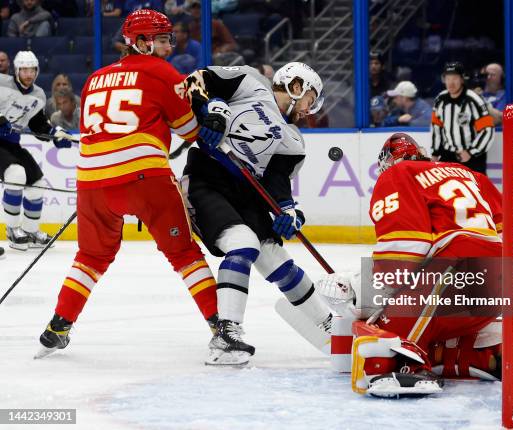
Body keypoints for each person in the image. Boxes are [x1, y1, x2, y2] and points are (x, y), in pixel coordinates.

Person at [35, 9, 220, 361]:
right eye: (163, 40)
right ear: (140, 42)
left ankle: (59, 324)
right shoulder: (163, 72)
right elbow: (190, 132)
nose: (169, 46)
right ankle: (221, 327)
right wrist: (201, 104)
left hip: (91, 181)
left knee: (90, 256)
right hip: (143, 177)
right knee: (184, 254)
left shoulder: (94, 78)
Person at [317, 132, 503, 397]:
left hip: (458, 269)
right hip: (500, 281)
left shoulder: (398, 173)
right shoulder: (469, 173)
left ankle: (410, 368)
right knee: (429, 328)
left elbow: (404, 251)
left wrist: (362, 293)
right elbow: (508, 231)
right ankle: (480, 355)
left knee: (383, 331)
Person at [180, 61, 333, 364]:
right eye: (309, 100)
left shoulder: (292, 140)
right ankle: (226, 334)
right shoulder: (251, 82)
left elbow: (277, 185)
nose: (308, 109)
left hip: (245, 193)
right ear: (296, 85)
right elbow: (197, 79)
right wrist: (210, 110)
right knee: (242, 244)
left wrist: (289, 213)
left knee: (277, 259)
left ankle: (330, 325)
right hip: (207, 180)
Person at [0, 51, 73, 250]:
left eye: (32, 69)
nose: (28, 74)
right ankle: (13, 231)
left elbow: (37, 124)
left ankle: (31, 230)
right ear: (16, 70)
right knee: (16, 174)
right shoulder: (2, 84)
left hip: (12, 144)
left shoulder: (38, 94)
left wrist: (55, 135)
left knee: (37, 183)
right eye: (24, 69)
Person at [431, 62, 494, 175]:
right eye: (448, 78)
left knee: (474, 190)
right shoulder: (440, 99)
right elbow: (436, 128)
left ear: (462, 79)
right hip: (448, 155)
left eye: (455, 78)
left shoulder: (474, 100)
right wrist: (435, 153)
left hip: (471, 158)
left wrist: (471, 152)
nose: (451, 82)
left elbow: (487, 130)